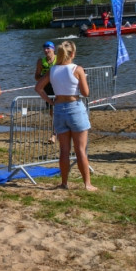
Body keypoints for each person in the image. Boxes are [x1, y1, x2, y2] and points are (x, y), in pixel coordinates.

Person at [36, 41, 96, 190]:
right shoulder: (77, 69)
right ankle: (87, 184)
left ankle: (64, 183)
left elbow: (38, 87)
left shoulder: (53, 70)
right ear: (72, 54)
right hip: (74, 107)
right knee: (80, 149)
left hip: (59, 109)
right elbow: (86, 93)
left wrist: (50, 101)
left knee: (64, 150)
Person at [35, 41, 56, 142]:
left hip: (58, 87)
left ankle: (56, 134)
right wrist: (45, 77)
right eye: (44, 48)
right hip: (47, 88)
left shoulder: (59, 59)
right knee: (52, 112)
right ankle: (55, 133)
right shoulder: (40, 61)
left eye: (48, 48)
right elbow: (36, 77)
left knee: (59, 111)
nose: (46, 50)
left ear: (53, 49)